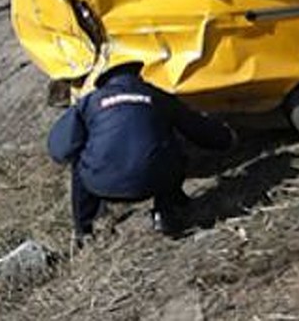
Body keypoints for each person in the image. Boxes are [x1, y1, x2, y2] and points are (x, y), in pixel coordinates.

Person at [48, 61, 236, 238]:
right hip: (152, 181)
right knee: (171, 144)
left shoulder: (90, 102)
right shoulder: (157, 96)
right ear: (137, 76)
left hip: (101, 185)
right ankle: (167, 212)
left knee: (79, 165)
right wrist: (227, 139)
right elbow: (197, 128)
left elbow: (61, 149)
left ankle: (83, 231)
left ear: (103, 82)